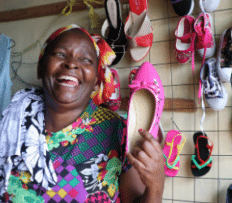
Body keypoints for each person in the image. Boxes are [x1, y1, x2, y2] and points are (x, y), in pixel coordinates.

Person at [0, 25, 165, 203]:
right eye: (60, 54)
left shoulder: (119, 132)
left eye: (86, 59)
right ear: (41, 67)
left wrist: (156, 185)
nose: (71, 63)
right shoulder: (11, 125)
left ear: (96, 82)